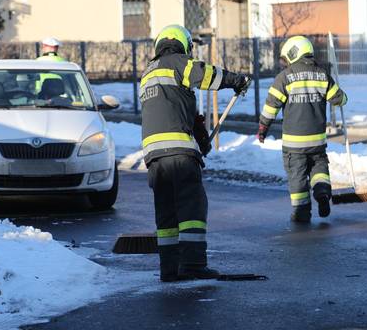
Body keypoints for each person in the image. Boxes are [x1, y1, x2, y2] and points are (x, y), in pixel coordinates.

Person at [141, 24, 250, 282]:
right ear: (184, 45)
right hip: (179, 154)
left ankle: (169, 268)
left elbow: (179, 110)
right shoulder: (177, 63)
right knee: (192, 207)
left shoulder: (147, 73)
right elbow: (205, 74)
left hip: (155, 158)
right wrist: (237, 80)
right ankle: (192, 264)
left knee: (166, 213)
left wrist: (201, 139)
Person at [257, 36, 347, 223]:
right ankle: (322, 192)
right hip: (317, 141)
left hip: (294, 144)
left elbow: (271, 106)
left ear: (293, 53)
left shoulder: (284, 77)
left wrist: (263, 127)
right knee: (319, 168)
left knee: (297, 175)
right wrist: (341, 94)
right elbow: (340, 100)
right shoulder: (322, 75)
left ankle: (302, 211)